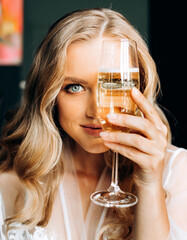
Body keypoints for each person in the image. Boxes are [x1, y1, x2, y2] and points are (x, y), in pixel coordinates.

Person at [0, 8, 186, 240]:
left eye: (114, 84)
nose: (98, 111)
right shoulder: (13, 179)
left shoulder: (178, 172)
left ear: (140, 87)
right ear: (48, 94)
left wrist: (149, 187)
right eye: (75, 87)